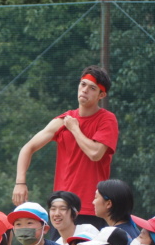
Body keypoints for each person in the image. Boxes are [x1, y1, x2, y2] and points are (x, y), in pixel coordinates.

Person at [12, 66, 117, 230]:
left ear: (101, 95)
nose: (85, 90)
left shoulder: (107, 119)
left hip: (91, 208)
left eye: (92, 88)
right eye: (83, 84)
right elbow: (28, 147)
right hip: (61, 208)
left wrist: (75, 129)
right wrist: (20, 182)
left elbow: (95, 153)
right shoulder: (63, 120)